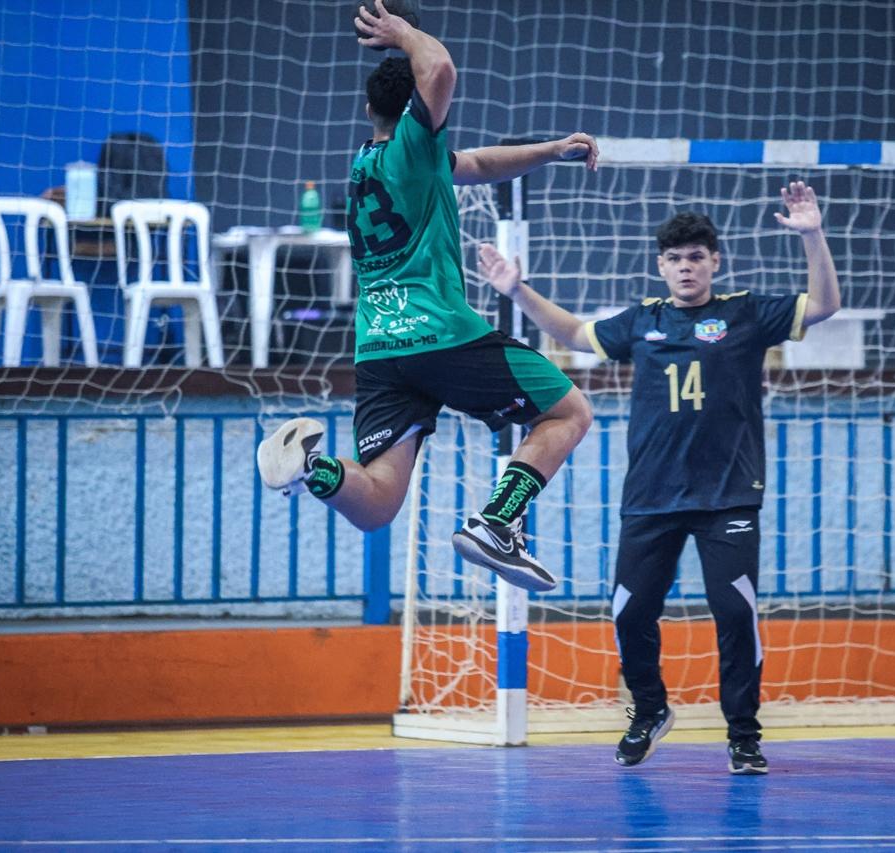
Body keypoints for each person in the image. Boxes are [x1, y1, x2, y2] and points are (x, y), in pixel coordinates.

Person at [478, 181, 842, 773]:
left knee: (734, 613)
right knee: (629, 610)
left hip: (728, 497)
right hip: (650, 497)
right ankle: (648, 711)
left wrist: (812, 235)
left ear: (714, 262)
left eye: (696, 257)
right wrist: (516, 289)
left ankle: (743, 735)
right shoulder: (641, 322)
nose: (686, 267)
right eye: (675, 259)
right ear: (662, 267)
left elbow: (824, 305)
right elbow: (575, 334)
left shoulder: (745, 313)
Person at [256, 0, 598, 593]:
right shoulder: (417, 145)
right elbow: (438, 70)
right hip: (437, 332)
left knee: (379, 502)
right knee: (569, 411)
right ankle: (497, 522)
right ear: (417, 111)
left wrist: (548, 150)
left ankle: (316, 468)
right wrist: (403, 32)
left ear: (369, 110)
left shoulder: (369, 162)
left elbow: (480, 163)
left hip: (378, 348)